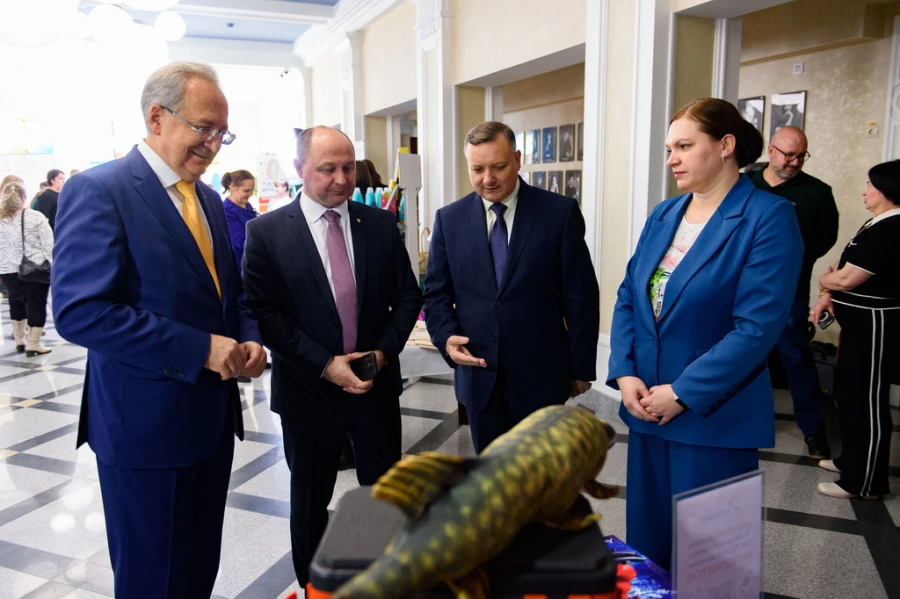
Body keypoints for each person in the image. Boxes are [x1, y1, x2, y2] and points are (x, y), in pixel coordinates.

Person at [51, 61, 266, 598]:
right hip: (144, 430)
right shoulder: (100, 189)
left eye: (222, 132)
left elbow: (228, 292)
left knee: (196, 572)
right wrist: (200, 349)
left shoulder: (209, 199)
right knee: (154, 581)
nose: (214, 144)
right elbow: (80, 311)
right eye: (203, 128)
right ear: (156, 117)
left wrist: (250, 336)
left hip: (211, 423)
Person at [607, 98, 802, 569]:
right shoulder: (664, 214)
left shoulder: (768, 217)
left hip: (713, 418)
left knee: (712, 564)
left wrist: (683, 392)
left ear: (726, 146)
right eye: (670, 147)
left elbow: (756, 328)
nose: (671, 158)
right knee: (650, 551)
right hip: (648, 410)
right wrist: (625, 372)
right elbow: (629, 295)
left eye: (684, 146)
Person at [242, 126, 422, 587]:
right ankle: (313, 584)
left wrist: (381, 353)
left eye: (348, 166)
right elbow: (266, 314)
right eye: (327, 169)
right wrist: (326, 365)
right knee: (309, 498)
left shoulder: (378, 223)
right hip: (308, 391)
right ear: (300, 169)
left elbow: (406, 296)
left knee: (383, 493)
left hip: (375, 386)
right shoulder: (265, 233)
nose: (341, 178)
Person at [423, 120, 599, 453]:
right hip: (478, 376)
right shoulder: (449, 219)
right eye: (477, 169)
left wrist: (580, 367)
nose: (487, 179)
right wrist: (446, 338)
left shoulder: (558, 213)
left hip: (541, 377)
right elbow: (436, 294)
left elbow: (581, 297)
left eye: (498, 167)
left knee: (538, 479)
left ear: (517, 159)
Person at [812, 160, 900, 500]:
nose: (864, 191)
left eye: (870, 185)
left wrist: (825, 281)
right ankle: (851, 461)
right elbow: (846, 274)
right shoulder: (877, 223)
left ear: (888, 189)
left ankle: (865, 482)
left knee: (867, 400)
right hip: (857, 323)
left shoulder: (893, 228)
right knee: (848, 394)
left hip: (875, 325)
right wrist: (829, 292)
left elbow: (848, 276)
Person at [749, 126, 838, 459]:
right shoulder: (746, 184)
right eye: (788, 154)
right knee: (742, 355)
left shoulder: (817, 192)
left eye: (801, 155)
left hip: (790, 291)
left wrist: (789, 256)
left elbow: (825, 238)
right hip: (744, 289)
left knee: (797, 357)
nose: (794, 161)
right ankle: (741, 423)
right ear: (771, 151)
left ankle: (813, 430)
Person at [0, 180, 53, 355]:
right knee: (37, 304)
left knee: (15, 301)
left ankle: (20, 340)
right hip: (34, 268)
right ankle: (33, 343)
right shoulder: (35, 216)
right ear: (24, 197)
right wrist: (54, 265)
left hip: (7, 269)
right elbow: (48, 245)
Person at [221, 169, 257, 273]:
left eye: (252, 190)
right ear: (232, 186)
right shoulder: (227, 210)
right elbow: (240, 242)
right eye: (246, 191)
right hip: (241, 266)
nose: (250, 194)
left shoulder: (246, 205)